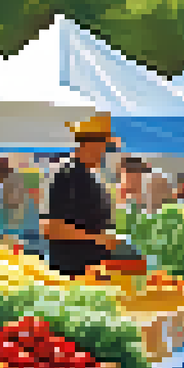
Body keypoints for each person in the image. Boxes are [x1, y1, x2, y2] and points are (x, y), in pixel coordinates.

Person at [41, 115, 124, 277]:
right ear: (90, 145)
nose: (106, 153)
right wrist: (98, 238)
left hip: (94, 271)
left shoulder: (91, 175)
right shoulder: (64, 174)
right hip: (72, 271)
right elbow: (51, 228)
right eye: (105, 147)